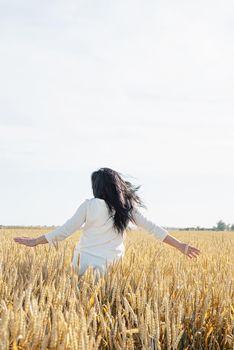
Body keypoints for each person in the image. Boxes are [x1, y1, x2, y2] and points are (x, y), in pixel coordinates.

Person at [14, 167, 201, 279]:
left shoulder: (89, 205)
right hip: (109, 270)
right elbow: (153, 229)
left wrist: (35, 241)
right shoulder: (126, 208)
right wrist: (180, 246)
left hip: (81, 266)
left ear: (96, 187)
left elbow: (65, 231)